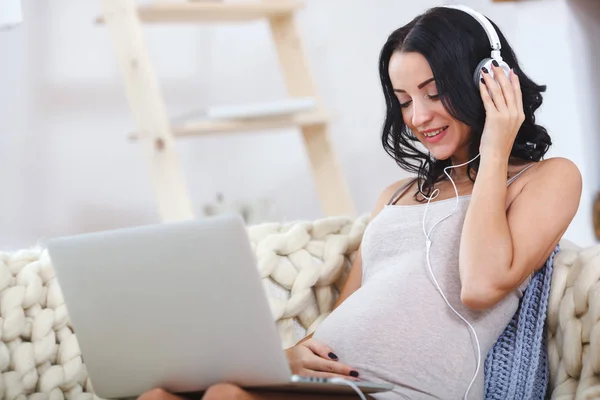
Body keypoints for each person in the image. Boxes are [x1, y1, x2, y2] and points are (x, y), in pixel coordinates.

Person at [139, 5, 581, 400]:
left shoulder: (546, 178)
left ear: (488, 80)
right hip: (334, 379)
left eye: (433, 92)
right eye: (404, 101)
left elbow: (482, 284)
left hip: (401, 389)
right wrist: (292, 358)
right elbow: (348, 313)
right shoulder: (396, 194)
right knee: (162, 393)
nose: (418, 118)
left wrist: (497, 143)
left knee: (226, 397)